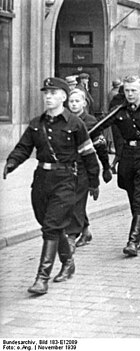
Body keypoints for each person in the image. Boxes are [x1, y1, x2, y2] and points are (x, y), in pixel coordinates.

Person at [3, 77, 100, 294]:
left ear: (64, 97)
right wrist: (11, 162)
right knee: (47, 223)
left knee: (51, 225)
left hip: (66, 180)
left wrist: (94, 182)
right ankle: (68, 263)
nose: (48, 96)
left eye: (54, 93)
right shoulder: (37, 123)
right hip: (41, 181)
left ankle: (42, 278)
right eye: (46, 93)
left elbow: (88, 154)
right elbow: (24, 147)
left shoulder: (75, 124)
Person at [91, 75, 140, 257]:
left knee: (139, 197)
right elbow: (99, 127)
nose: (130, 94)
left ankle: (133, 240)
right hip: (127, 157)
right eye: (127, 90)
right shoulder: (118, 111)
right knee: (133, 196)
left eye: (134, 90)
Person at [65, 89, 112, 250]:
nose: (74, 104)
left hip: (84, 168)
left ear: (84, 103)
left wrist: (106, 168)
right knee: (70, 201)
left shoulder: (91, 122)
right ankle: (85, 231)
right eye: (71, 101)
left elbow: (101, 146)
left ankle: (71, 236)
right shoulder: (64, 120)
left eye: (77, 101)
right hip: (67, 168)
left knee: (76, 201)